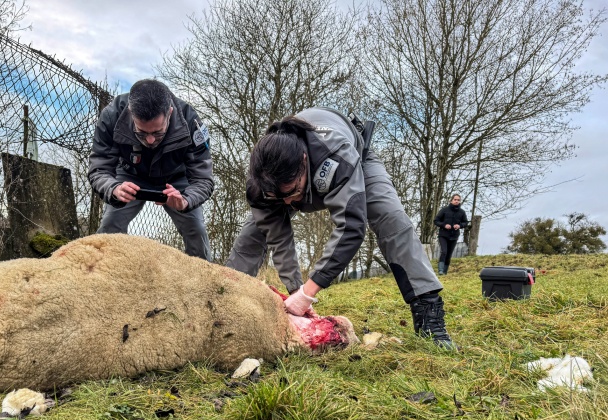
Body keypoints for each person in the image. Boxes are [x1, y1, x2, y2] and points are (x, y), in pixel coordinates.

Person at [225, 108, 455, 348]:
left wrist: (309, 291)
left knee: (390, 217)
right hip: (292, 178)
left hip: (357, 162)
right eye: (279, 197)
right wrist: (296, 291)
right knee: (252, 234)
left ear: (304, 161)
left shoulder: (336, 155)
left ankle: (429, 316)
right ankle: (225, 303)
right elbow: (279, 238)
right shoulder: (262, 181)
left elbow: (350, 228)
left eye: (292, 192)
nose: (289, 204)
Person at [88, 79, 213, 259]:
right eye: (142, 132)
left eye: (157, 132)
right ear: (131, 113)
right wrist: (113, 188)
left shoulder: (192, 124)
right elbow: (99, 168)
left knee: (196, 230)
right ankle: (103, 279)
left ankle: (205, 281)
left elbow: (203, 179)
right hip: (130, 175)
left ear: (169, 113)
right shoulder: (111, 116)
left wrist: (186, 200)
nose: (150, 141)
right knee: (110, 225)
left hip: (177, 181)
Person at [433, 194, 469, 275]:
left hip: (454, 236)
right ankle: (440, 270)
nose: (456, 201)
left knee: (449, 253)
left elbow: (466, 222)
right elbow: (436, 220)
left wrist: (459, 226)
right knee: (444, 251)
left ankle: (445, 271)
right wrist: (444, 225)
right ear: (451, 200)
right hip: (443, 235)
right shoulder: (444, 210)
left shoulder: (462, 212)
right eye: (455, 199)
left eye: (458, 200)